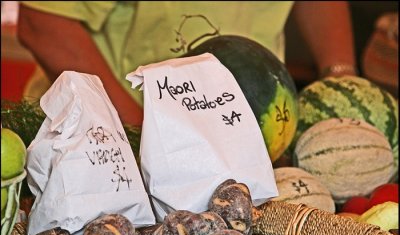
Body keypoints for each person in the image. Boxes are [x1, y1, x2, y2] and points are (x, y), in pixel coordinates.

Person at [17, 1, 357, 127]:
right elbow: (44, 24)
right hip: (103, 139)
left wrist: (344, 83)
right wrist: (139, 136)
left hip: (246, 137)